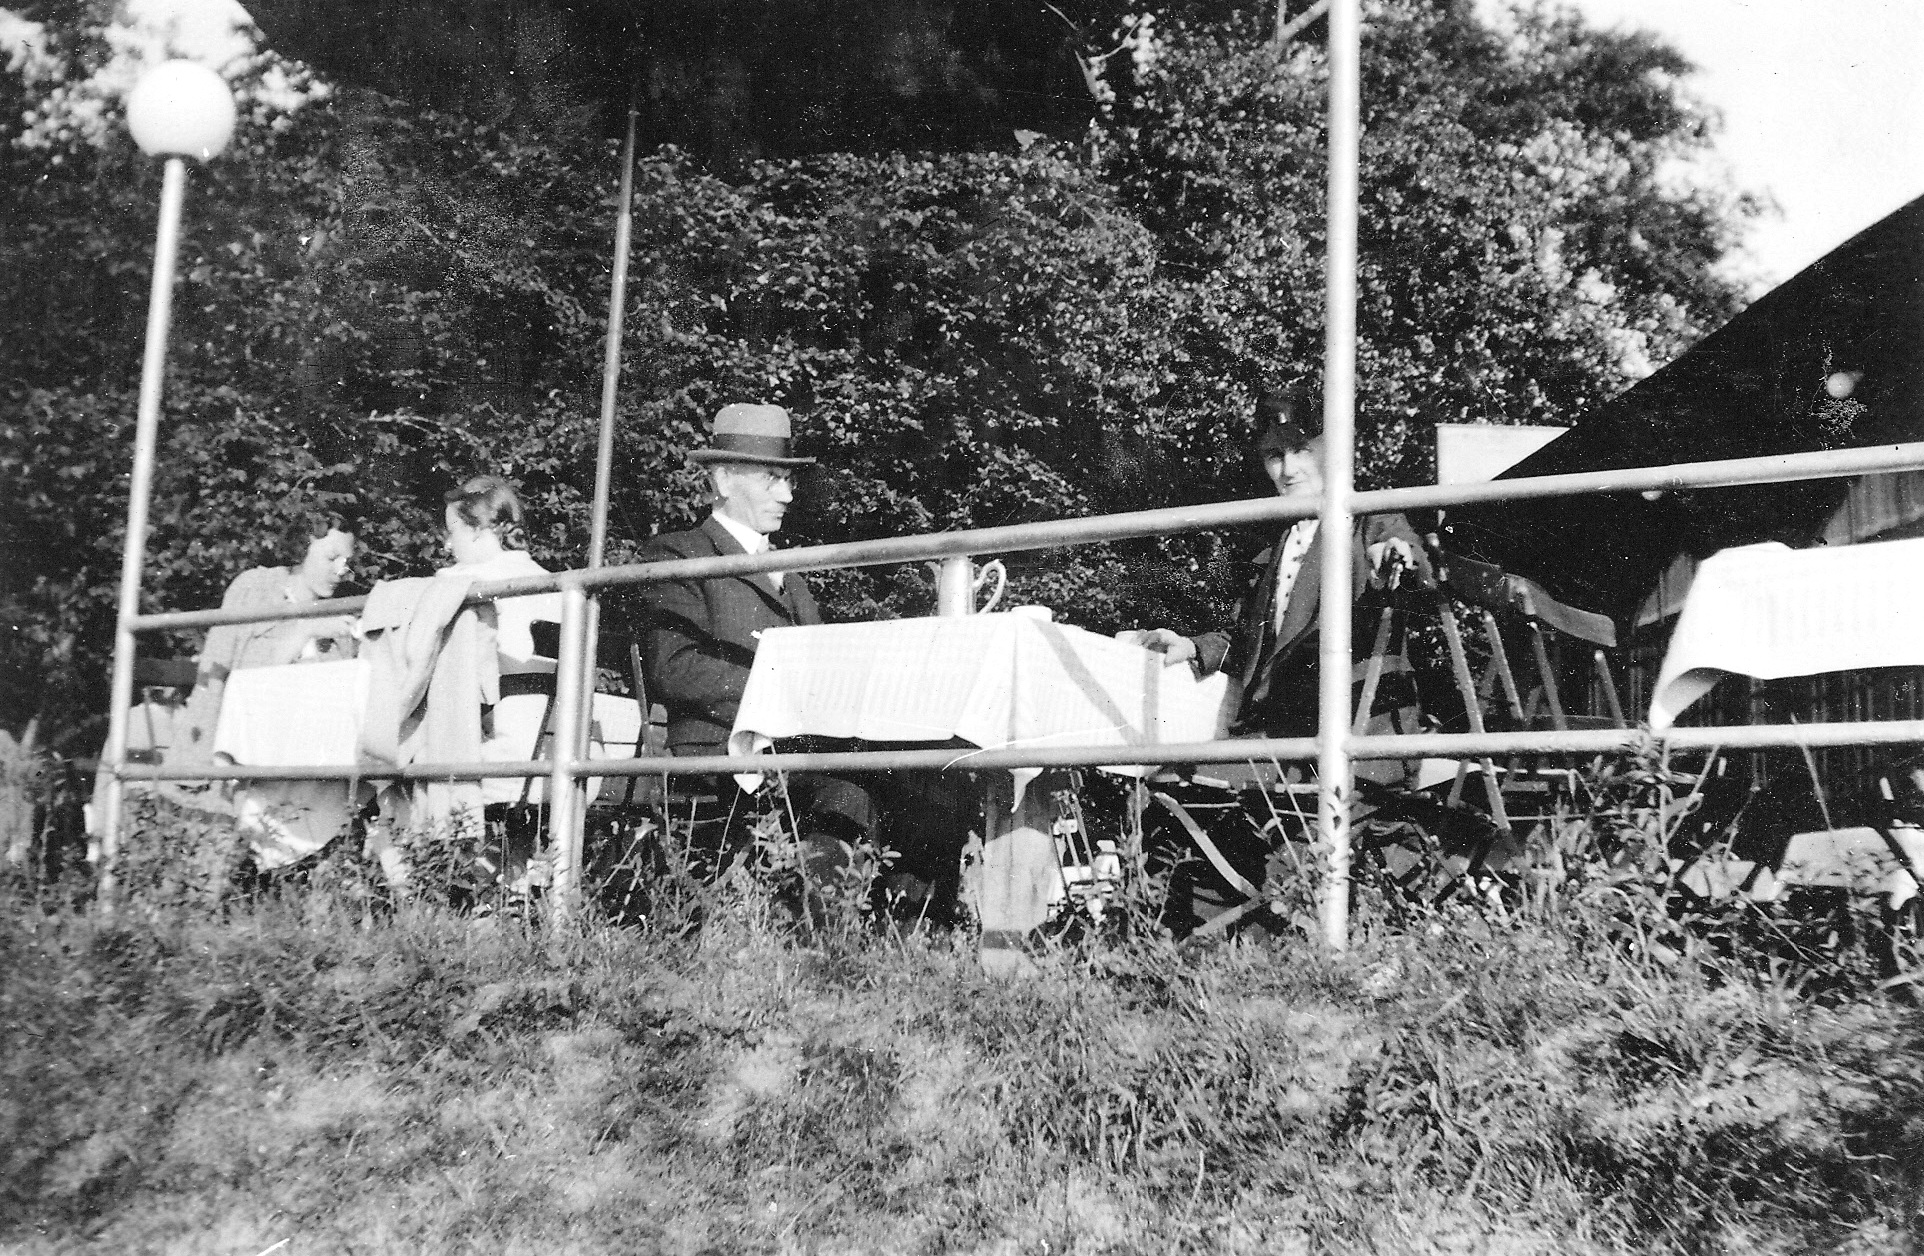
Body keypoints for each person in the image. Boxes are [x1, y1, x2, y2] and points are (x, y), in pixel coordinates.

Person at [1117, 385, 1437, 930]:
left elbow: (1408, 560)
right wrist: (1194, 647)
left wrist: (1395, 556)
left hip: (1350, 739)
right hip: (1276, 736)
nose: (1288, 470)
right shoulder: (1278, 542)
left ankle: (1198, 926)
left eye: (1301, 450)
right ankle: (1178, 930)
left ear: (1332, 449)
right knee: (1169, 783)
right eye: (1273, 455)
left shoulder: (1368, 518)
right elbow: (1252, 640)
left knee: (1186, 785)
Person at [634, 403, 877, 898]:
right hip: (720, 747)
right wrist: (780, 698)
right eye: (771, 479)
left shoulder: (790, 574)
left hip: (797, 746)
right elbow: (674, 668)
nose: (787, 495)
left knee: (918, 769)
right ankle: (817, 924)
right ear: (724, 479)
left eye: (788, 480)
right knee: (854, 785)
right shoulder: (679, 554)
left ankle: (905, 922)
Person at [172, 510, 360, 767]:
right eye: (331, 558)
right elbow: (223, 674)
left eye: (346, 561)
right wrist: (305, 631)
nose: (341, 570)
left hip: (305, 755)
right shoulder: (256, 588)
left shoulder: (336, 616)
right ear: (302, 548)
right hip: (243, 747)